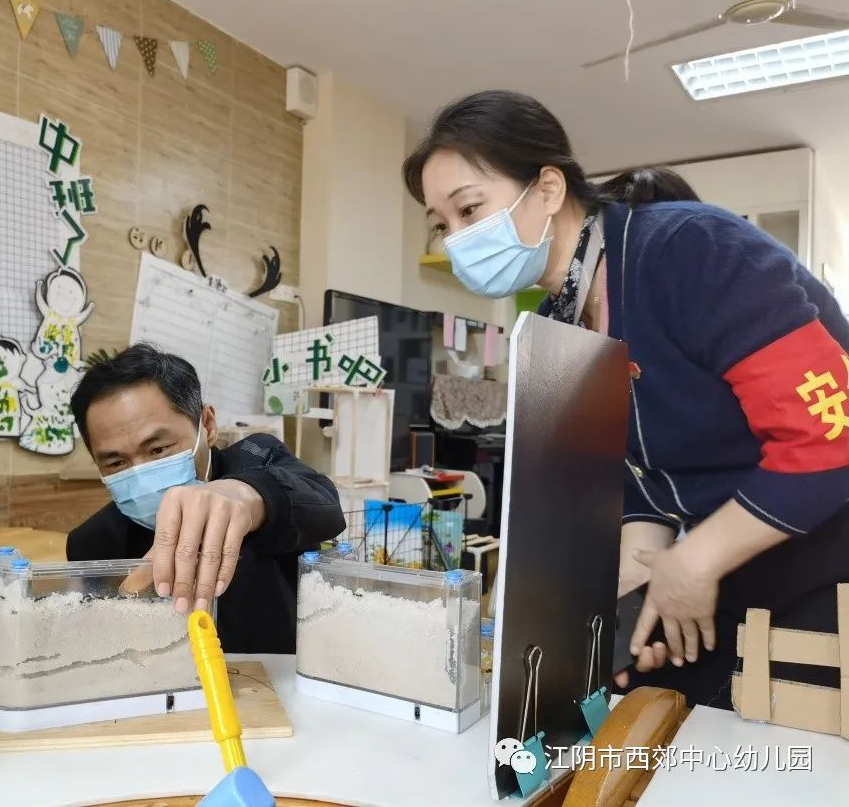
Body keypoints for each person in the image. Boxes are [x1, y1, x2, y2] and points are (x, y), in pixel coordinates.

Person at [403, 89, 849, 707]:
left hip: (822, 573)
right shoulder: (567, 321)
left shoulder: (690, 250)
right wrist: (626, 581)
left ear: (550, 189)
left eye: (470, 209)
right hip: (726, 584)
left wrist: (693, 563)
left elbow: (827, 440)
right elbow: (644, 476)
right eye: (441, 225)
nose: (456, 240)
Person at [67, 343, 346, 654]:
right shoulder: (91, 545)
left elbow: (326, 506)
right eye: (116, 462)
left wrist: (248, 496)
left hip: (275, 683)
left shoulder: (258, 458)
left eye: (158, 449)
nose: (142, 473)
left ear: (208, 425)